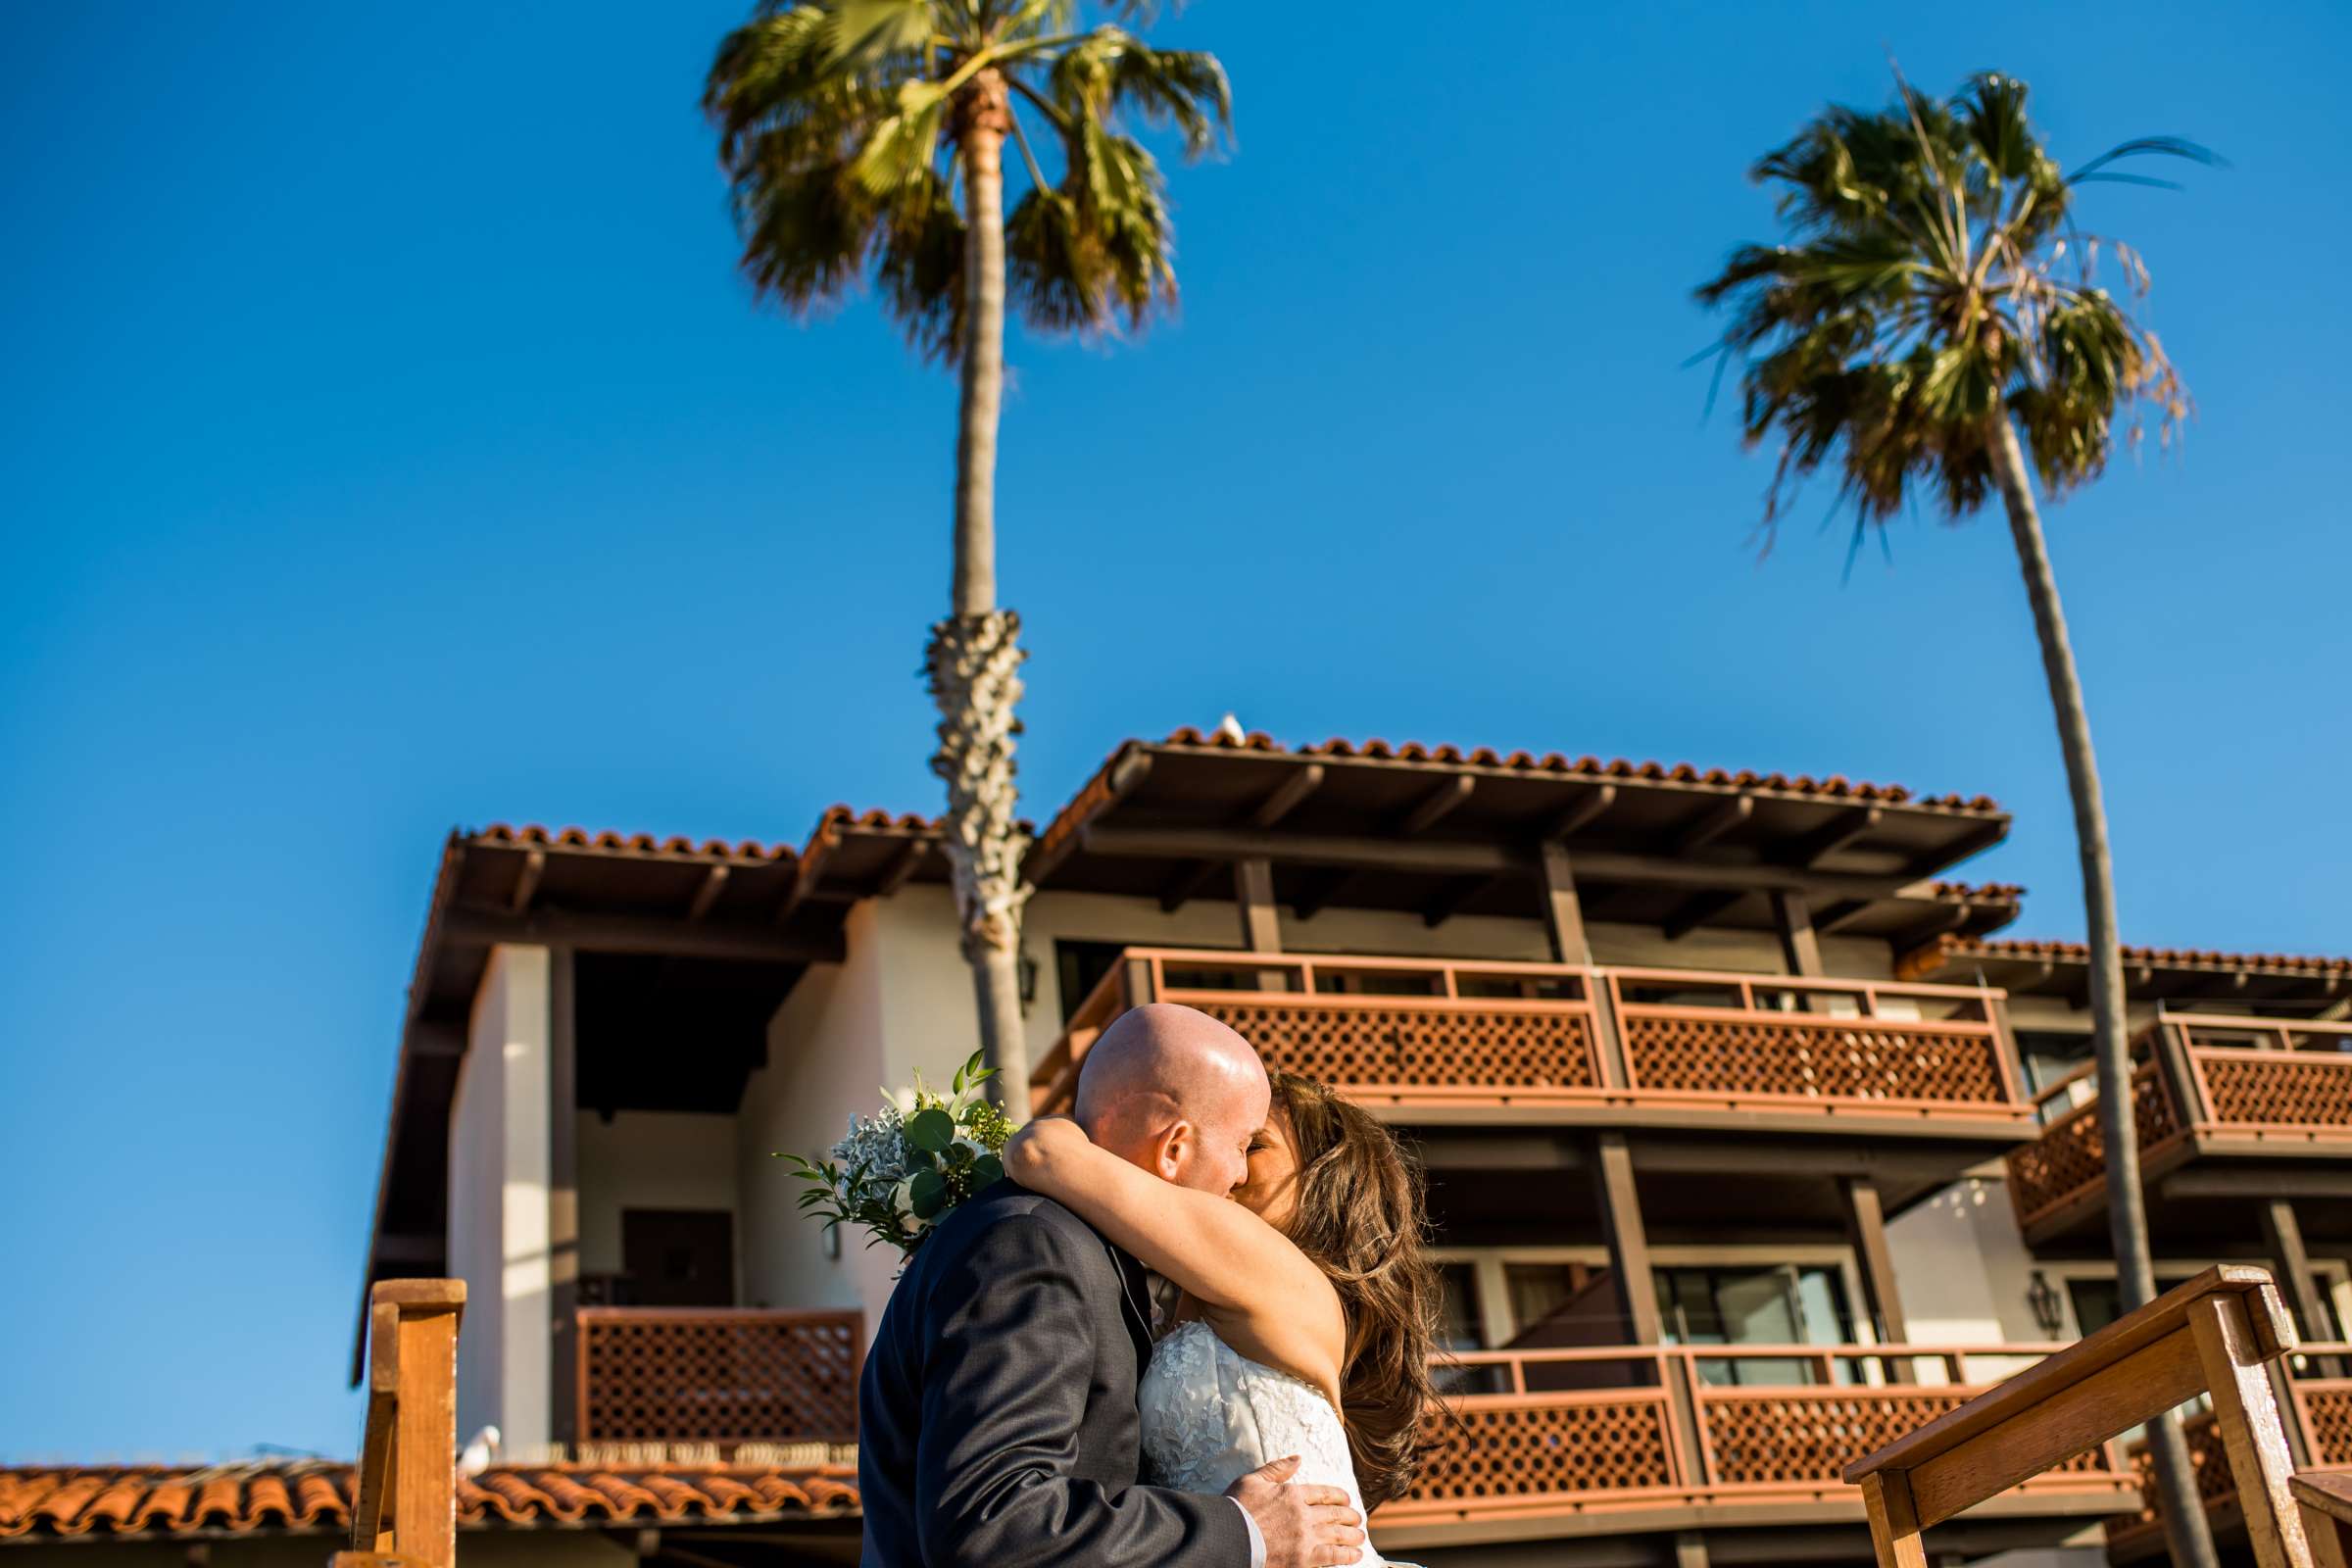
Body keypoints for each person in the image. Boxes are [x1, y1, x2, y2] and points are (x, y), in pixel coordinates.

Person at [857, 1003, 1368, 1568]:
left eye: (1256, 1147)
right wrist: (1239, 1531)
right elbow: (996, 1521)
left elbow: (1039, 1149)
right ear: (1174, 1147)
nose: (1241, 1173)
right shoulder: (1033, 1244)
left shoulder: (1259, 1275)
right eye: (1243, 1144)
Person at [1003, 1048, 1445, 1568]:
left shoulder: (1272, 1267)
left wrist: (1099, 1120)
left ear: (1321, 1182)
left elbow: (1040, 1153)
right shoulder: (1188, 1294)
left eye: (1252, 1144)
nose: (1233, 1165)